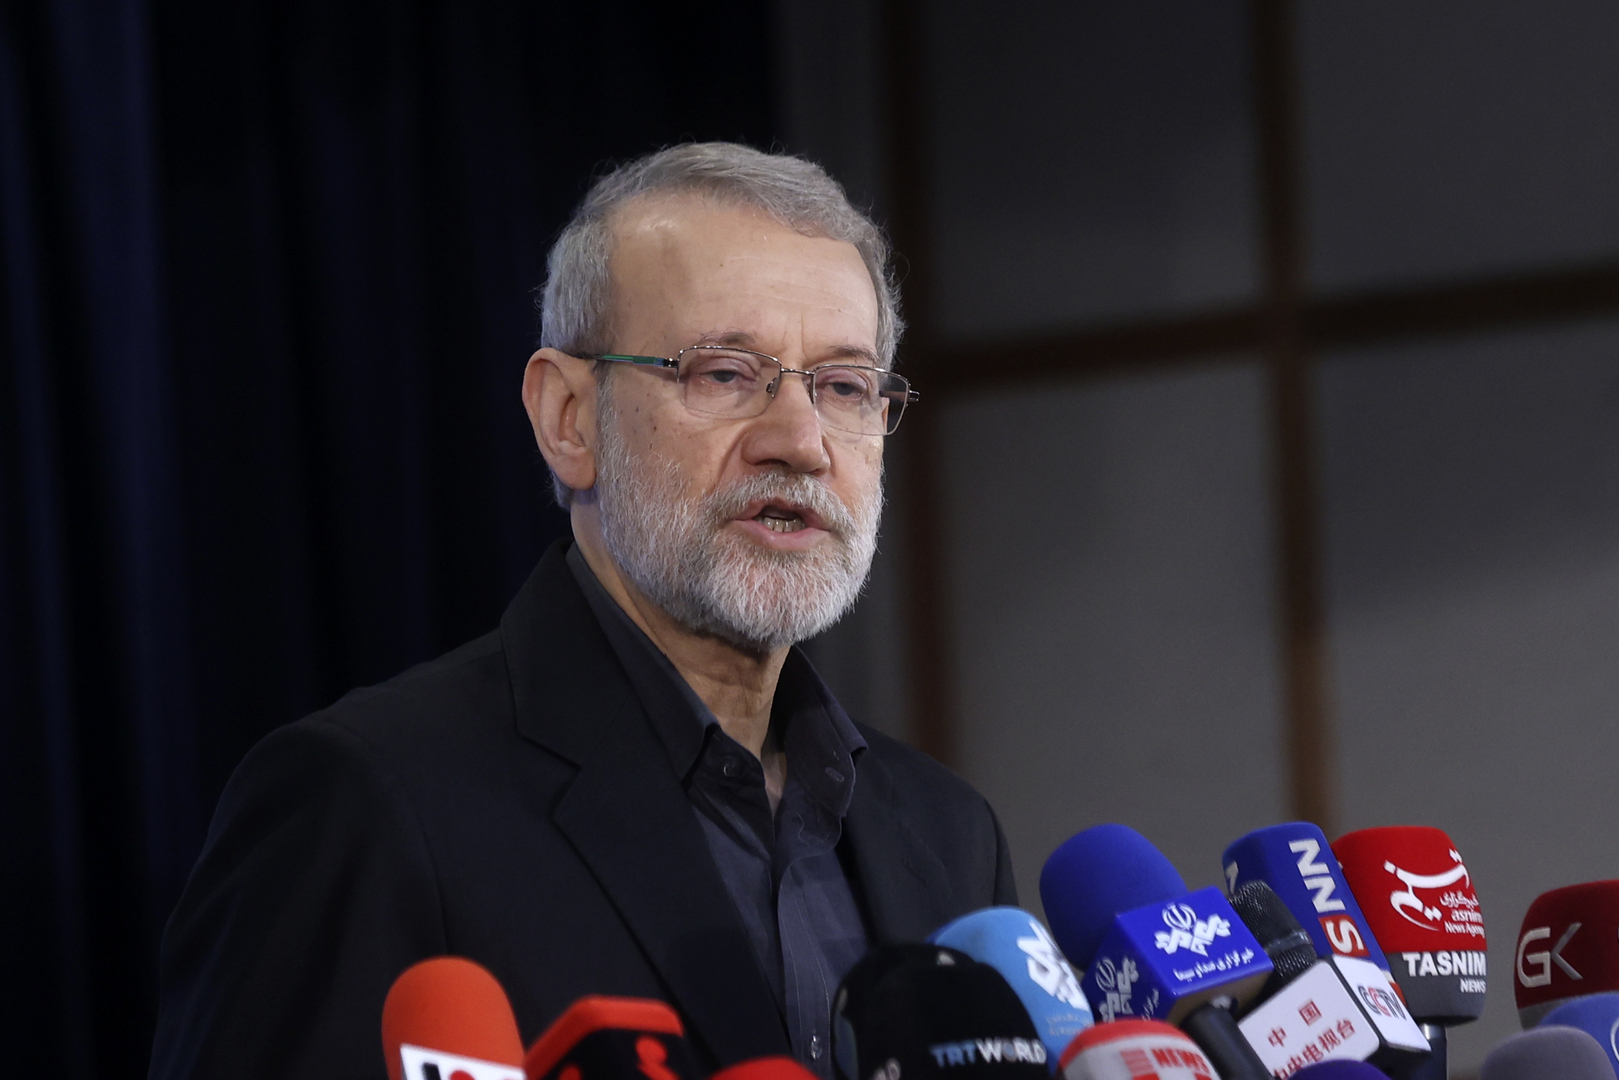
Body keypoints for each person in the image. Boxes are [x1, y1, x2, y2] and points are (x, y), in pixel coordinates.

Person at [149, 143, 1016, 1080]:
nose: (801, 441)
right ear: (568, 417)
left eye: (843, 387)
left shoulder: (947, 835)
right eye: (724, 373)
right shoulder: (370, 802)